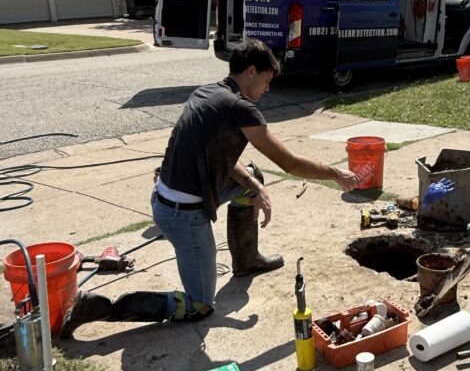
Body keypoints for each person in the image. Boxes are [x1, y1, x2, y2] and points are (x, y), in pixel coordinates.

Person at [61, 40, 358, 336]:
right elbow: (288, 162)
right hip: (184, 214)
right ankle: (101, 307)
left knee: (253, 175)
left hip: (170, 197)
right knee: (199, 304)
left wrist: (254, 185)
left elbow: (220, 158)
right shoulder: (242, 109)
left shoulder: (210, 92)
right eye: (267, 80)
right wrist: (335, 173)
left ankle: (247, 261)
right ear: (252, 71)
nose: (268, 88)